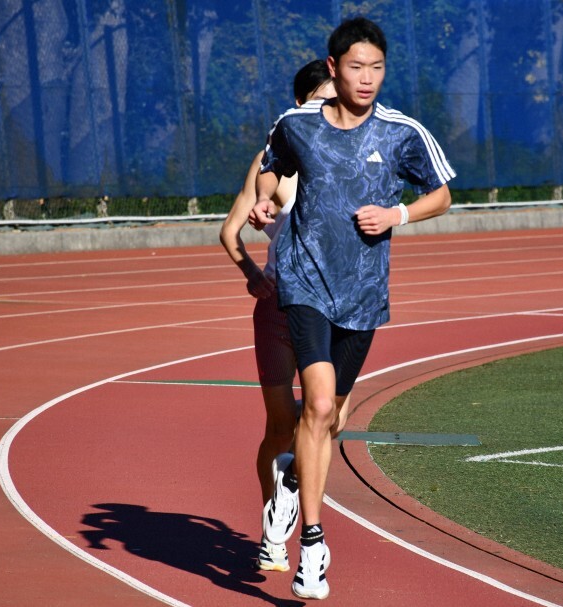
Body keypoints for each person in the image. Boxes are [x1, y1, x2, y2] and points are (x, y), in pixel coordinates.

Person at [251, 17, 455, 600]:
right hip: (305, 282)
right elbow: (272, 168)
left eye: (377, 68)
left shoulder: (402, 132)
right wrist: (265, 205)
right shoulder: (298, 125)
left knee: (331, 419)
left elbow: (442, 192)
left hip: (363, 295)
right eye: (357, 67)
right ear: (334, 68)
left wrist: (399, 216)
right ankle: (313, 546)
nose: (367, 79)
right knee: (315, 403)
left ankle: (291, 478)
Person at [219, 60, 336, 572]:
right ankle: (275, 529)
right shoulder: (273, 159)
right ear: (306, 100)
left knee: (328, 418)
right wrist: (251, 274)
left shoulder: (345, 153)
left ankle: (287, 498)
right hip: (279, 309)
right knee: (281, 426)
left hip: (333, 305)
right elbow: (231, 231)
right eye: (328, 97)